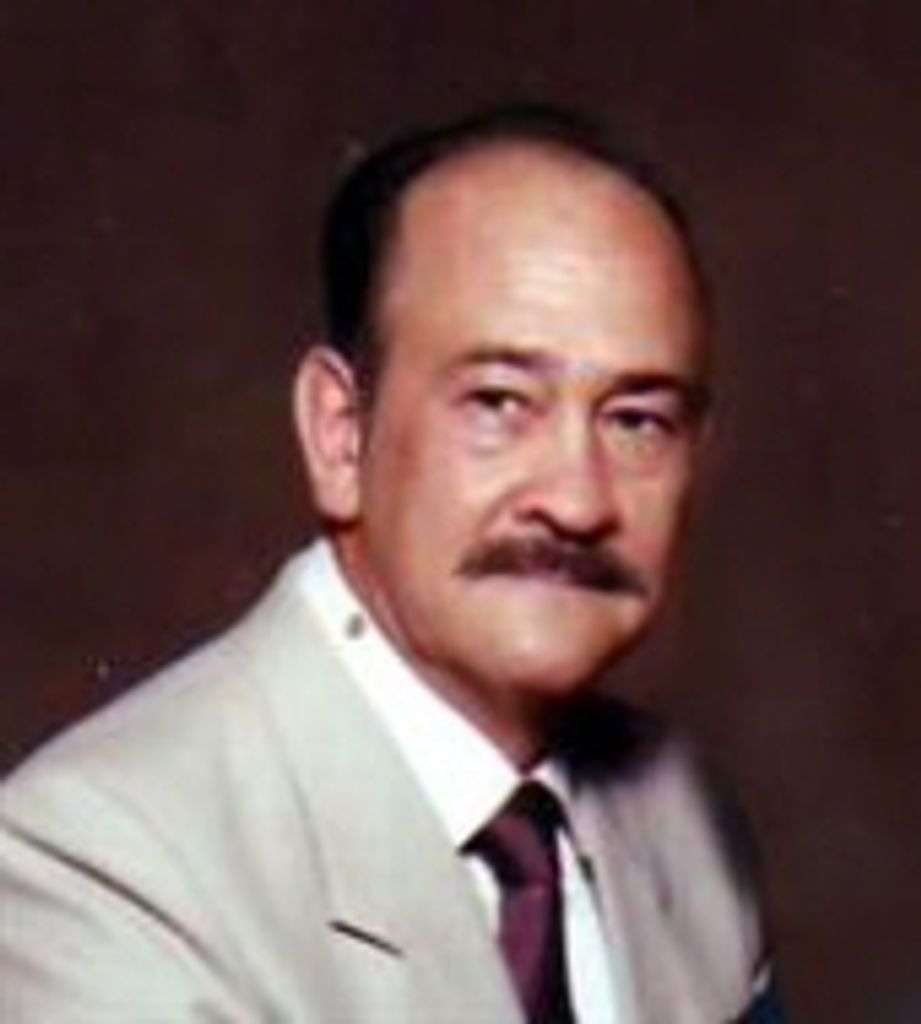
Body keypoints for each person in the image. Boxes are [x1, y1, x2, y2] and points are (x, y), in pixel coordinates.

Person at [0, 105, 784, 1022]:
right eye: (498, 403)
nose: (577, 501)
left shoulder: (686, 816)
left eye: (636, 420)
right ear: (340, 435)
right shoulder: (106, 866)